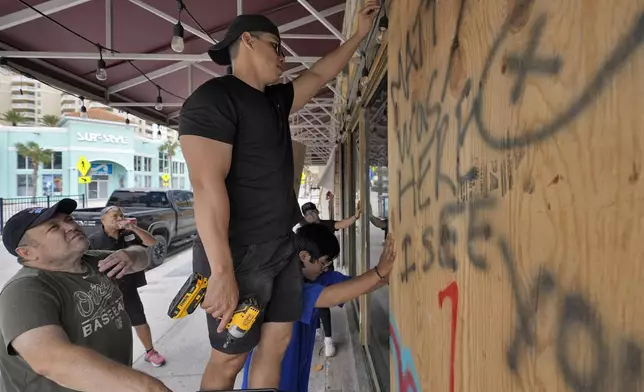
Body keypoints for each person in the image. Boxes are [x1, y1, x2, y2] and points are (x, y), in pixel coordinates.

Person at [178, 2, 381, 390]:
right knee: (231, 357)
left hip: (281, 246)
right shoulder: (212, 100)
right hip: (237, 253)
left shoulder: (274, 100)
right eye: (277, 46)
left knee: (278, 342)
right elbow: (206, 188)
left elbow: (320, 73)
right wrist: (221, 272)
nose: (283, 57)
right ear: (248, 41)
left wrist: (357, 36)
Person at [0, 199, 170, 392]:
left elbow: (143, 257)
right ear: (27, 252)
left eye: (69, 219)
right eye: (54, 227)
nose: (71, 226)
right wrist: (146, 386)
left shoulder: (93, 260)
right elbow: (51, 360)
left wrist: (129, 255)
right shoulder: (25, 291)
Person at [241, 223, 396, 392]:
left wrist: (385, 276)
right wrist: (379, 271)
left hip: (298, 368)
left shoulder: (319, 278)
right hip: (272, 375)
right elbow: (328, 297)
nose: (325, 268)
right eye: (323, 262)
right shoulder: (286, 287)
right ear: (304, 256)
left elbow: (355, 286)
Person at [87, 205, 167, 367]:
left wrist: (133, 227)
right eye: (114, 216)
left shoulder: (129, 234)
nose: (119, 219)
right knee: (108, 325)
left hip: (128, 287)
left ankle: (150, 351)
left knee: (138, 318)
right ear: (102, 220)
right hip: (106, 290)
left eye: (121, 215)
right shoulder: (94, 241)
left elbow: (151, 242)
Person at [299, 201, 362, 357]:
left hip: (322, 276)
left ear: (317, 212)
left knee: (323, 305)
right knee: (316, 304)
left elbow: (341, 224)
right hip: (311, 276)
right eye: (306, 214)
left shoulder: (326, 225)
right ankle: (318, 330)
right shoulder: (301, 232)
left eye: (312, 212)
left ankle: (327, 338)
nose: (310, 216)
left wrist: (355, 216)